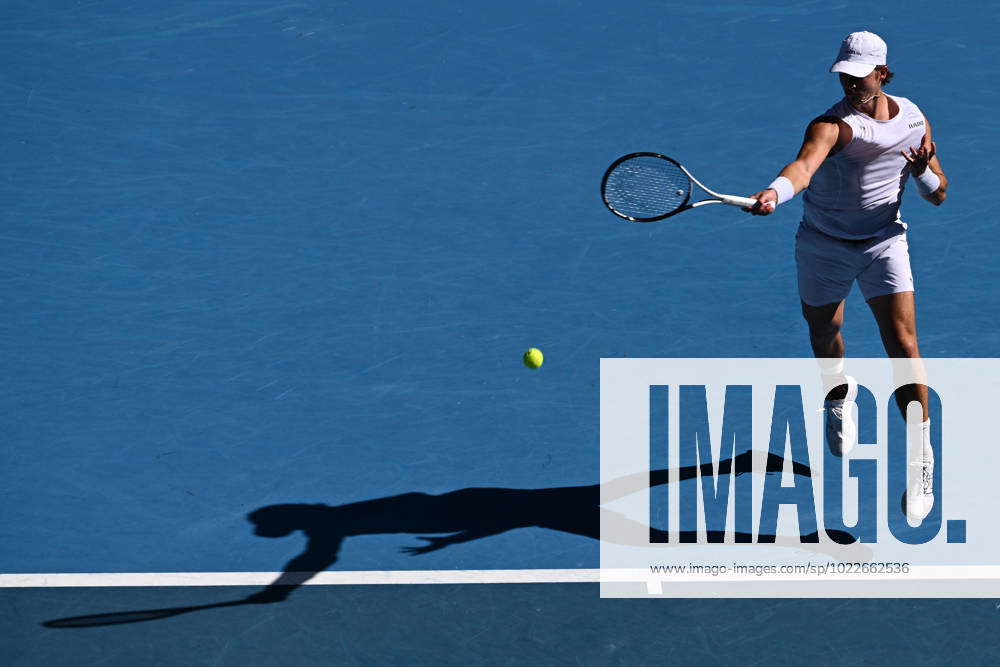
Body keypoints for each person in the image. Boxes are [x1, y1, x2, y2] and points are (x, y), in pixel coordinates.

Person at [744, 31, 948, 521]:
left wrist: (920, 171)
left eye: (861, 76)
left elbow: (939, 193)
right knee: (824, 330)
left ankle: (921, 458)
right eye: (845, 76)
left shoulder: (914, 118)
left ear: (882, 74)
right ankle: (839, 395)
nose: (853, 84)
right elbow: (803, 166)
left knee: (903, 344)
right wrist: (775, 192)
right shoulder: (831, 125)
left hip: (883, 242)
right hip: (823, 244)